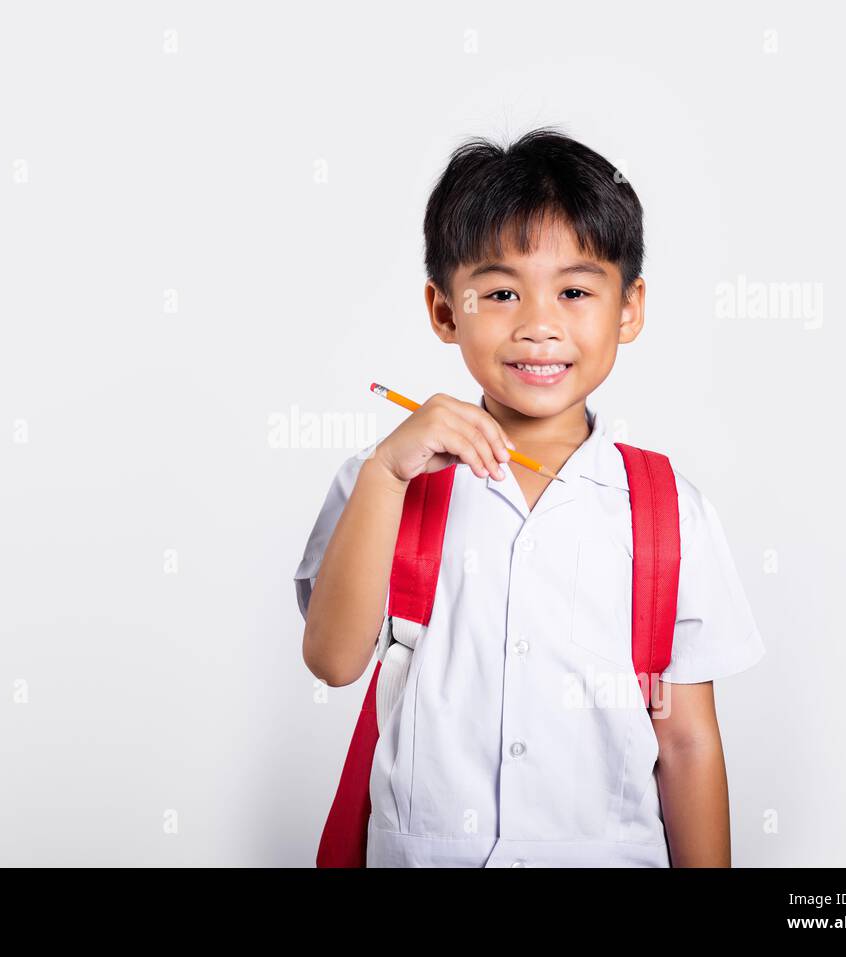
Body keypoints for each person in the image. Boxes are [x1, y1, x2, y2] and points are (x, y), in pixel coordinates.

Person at [293, 128, 766, 867]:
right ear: (445, 310)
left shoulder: (667, 507)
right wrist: (387, 475)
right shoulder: (387, 478)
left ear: (629, 308)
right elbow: (332, 659)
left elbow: (686, 737)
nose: (539, 324)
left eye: (575, 291)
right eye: (502, 291)